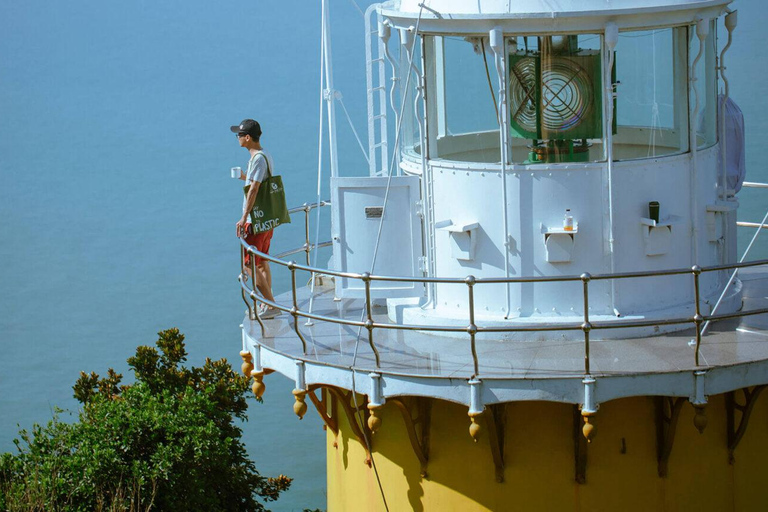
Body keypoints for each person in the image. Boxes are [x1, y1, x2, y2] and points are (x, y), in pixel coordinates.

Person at [232, 118, 280, 319]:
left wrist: (244, 217)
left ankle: (271, 305)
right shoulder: (264, 155)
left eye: (240, 135)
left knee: (249, 264)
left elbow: (254, 189)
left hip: (256, 220)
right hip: (265, 218)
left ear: (248, 138)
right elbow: (257, 181)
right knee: (261, 262)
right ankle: (266, 304)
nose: (237, 138)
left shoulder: (258, 159)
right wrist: (245, 177)